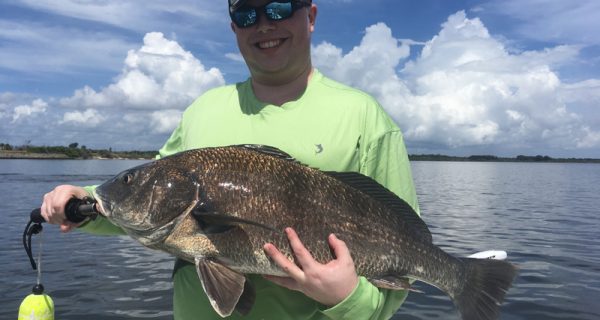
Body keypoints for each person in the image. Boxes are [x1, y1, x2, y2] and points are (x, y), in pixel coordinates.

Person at [40, 0, 420, 319]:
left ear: (312, 16)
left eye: (279, 7)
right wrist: (84, 200)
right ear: (234, 27)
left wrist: (348, 298)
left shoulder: (365, 116)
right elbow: (145, 204)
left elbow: (406, 256)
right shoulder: (203, 109)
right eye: (246, 15)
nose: (264, 24)